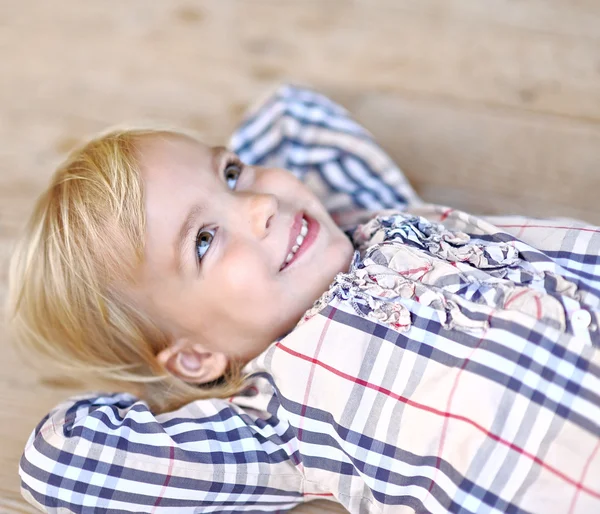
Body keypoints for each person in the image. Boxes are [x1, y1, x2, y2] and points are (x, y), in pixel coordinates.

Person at [9, 85, 600, 514]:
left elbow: (294, 119)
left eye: (233, 173)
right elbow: (57, 462)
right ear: (194, 357)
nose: (260, 205)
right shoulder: (277, 423)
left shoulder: (367, 223)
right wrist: (159, 378)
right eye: (204, 240)